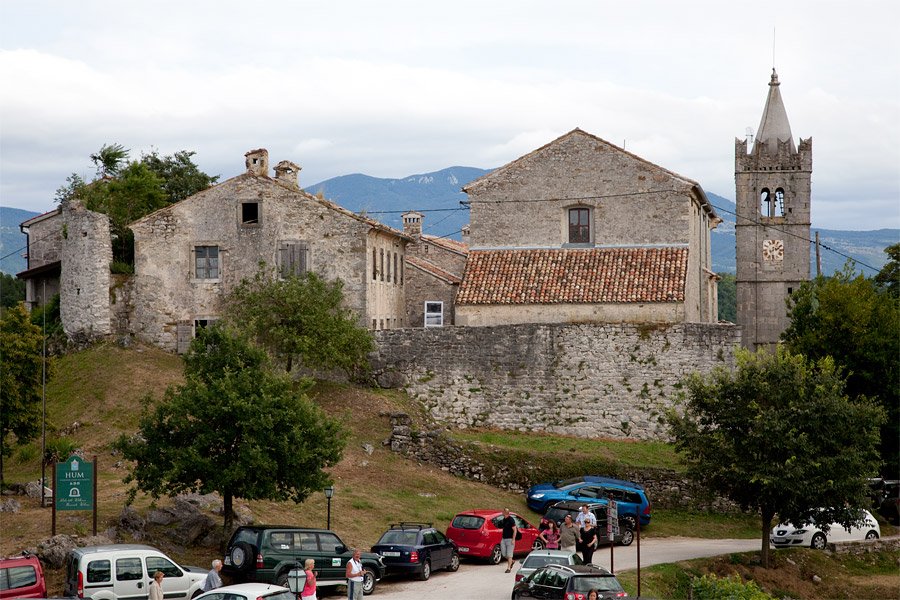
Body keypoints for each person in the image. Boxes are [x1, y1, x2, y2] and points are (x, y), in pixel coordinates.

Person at [500, 508, 518, 573]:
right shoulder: (504, 519)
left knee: (509, 555)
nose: (502, 512)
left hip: (510, 539)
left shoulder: (511, 520)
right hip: (503, 539)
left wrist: (513, 539)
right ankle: (512, 561)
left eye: (503, 511)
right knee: (504, 554)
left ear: (506, 513)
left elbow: (515, 530)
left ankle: (508, 568)